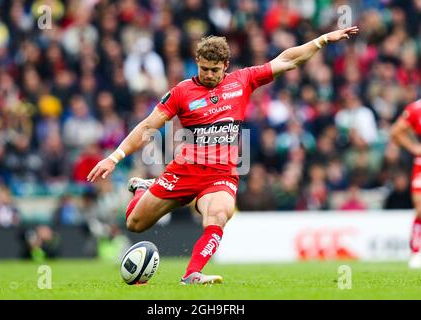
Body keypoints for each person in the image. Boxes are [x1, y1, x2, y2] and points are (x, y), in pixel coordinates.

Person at [87, 27, 359, 284]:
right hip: (185, 170)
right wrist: (114, 157)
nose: (208, 74)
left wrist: (322, 40)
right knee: (135, 224)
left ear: (226, 65)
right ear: (197, 62)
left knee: (217, 216)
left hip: (221, 174)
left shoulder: (242, 81)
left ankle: (191, 275)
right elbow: (148, 125)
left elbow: (287, 59)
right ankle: (142, 190)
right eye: (203, 68)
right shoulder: (181, 92)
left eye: (214, 70)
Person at [390, 99, 421, 269]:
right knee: (420, 208)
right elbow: (396, 132)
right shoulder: (416, 109)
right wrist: (415, 148)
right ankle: (417, 251)